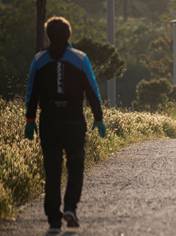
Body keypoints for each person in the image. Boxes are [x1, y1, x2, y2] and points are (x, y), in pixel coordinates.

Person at [24, 16, 106, 234]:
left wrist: (29, 120)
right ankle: (70, 207)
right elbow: (92, 90)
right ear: (69, 34)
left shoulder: (39, 60)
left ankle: (53, 218)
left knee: (52, 169)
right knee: (76, 165)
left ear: (48, 35)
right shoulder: (80, 58)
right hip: (74, 121)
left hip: (49, 122)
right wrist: (98, 118)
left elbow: (31, 93)